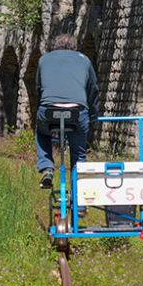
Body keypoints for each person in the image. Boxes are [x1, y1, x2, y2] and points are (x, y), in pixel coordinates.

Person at [35, 34, 98, 189]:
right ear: (74, 46)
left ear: (55, 45)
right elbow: (93, 89)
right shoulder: (84, 59)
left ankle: (47, 167)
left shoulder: (44, 59)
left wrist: (42, 106)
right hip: (77, 112)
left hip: (49, 110)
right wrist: (94, 115)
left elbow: (38, 87)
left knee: (41, 132)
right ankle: (79, 203)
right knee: (79, 155)